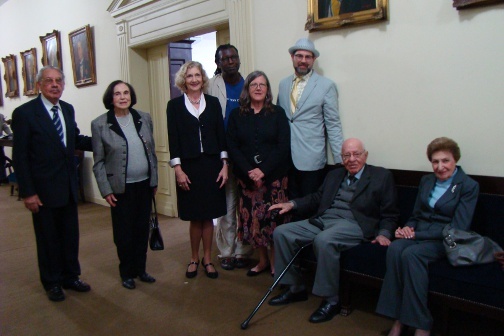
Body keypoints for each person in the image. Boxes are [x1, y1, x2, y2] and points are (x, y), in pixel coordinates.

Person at [267, 138, 399, 323]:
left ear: (365, 155)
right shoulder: (334, 175)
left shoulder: (381, 176)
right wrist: (292, 204)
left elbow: (390, 213)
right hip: (324, 220)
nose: (351, 159)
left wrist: (384, 233)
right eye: (346, 155)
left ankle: (331, 300)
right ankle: (294, 288)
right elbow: (317, 198)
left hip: (354, 224)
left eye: (356, 154)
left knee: (324, 240)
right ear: (342, 158)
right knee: (282, 232)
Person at [376, 137, 479, 336]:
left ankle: (422, 325)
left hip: (446, 239)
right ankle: (399, 320)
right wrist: (406, 229)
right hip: (419, 234)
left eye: (445, 160)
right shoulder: (426, 180)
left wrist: (414, 235)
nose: (440, 167)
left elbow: (458, 228)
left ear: (455, 159)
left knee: (412, 255)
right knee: (396, 248)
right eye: (435, 161)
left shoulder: (468, 185)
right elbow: (416, 215)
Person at [11, 66, 92, 302]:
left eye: (58, 81)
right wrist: (28, 192)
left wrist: (104, 140)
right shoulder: (25, 113)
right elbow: (20, 157)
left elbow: (74, 139)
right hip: (42, 190)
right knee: (48, 238)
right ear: (39, 85)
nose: (55, 85)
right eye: (49, 81)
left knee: (70, 235)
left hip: (68, 187)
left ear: (64, 85)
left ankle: (71, 276)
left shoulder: (67, 109)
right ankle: (52, 281)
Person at [91, 80, 158, 290]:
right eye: (118, 93)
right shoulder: (100, 124)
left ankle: (141, 269)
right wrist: (105, 190)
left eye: (126, 93)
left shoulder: (143, 118)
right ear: (111, 98)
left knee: (141, 230)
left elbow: (152, 152)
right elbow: (99, 161)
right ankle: (126, 272)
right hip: (120, 188)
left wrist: (154, 180)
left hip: (144, 185)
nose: (123, 97)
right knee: (124, 233)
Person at [167, 61, 228, 279]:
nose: (194, 79)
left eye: (197, 75)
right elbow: (173, 140)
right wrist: (178, 169)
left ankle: (208, 259)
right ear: (184, 80)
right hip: (189, 167)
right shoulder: (173, 106)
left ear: (203, 79)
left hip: (211, 165)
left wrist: (225, 166)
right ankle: (194, 258)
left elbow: (221, 136)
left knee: (209, 215)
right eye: (189, 76)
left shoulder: (212, 103)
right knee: (195, 216)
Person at [226, 71, 291, 277]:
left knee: (272, 221)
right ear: (247, 89)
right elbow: (232, 146)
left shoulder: (278, 113)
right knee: (254, 222)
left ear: (267, 89)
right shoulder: (237, 115)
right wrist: (249, 172)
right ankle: (262, 261)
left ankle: (274, 263)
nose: (258, 88)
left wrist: (263, 170)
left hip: (274, 178)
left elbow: (283, 146)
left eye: (262, 84)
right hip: (247, 180)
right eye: (254, 84)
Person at [277, 38, 343, 203]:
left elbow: (333, 125)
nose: (303, 60)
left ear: (313, 60)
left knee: (309, 207)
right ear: (292, 57)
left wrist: (341, 161)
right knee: (288, 206)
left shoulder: (326, 86)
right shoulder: (283, 84)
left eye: (308, 57)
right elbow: (278, 119)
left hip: (311, 159)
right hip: (285, 159)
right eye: (299, 56)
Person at [207, 44, 252, 271]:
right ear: (218, 63)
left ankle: (243, 249)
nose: (231, 61)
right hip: (221, 156)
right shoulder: (211, 85)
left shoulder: (249, 85)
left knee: (245, 203)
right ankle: (226, 250)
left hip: (244, 155)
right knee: (226, 205)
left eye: (234, 57)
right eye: (225, 59)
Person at [0, 113, 12, 183]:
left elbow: (4, 126)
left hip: (0, 142)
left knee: (2, 159)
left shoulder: (1, 116)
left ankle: (2, 178)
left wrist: (10, 134)